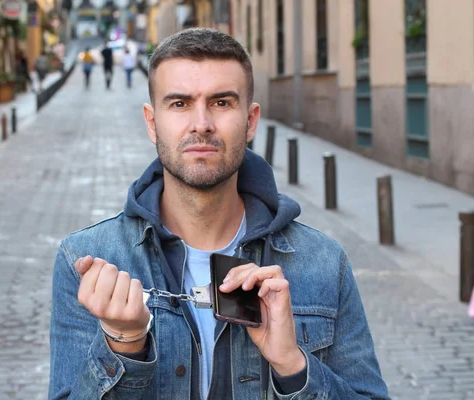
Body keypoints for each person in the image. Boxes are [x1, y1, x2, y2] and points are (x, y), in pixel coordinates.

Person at [49, 28, 389, 400]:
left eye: (222, 103)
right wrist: (124, 345)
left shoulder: (322, 262)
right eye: (179, 104)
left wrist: (293, 366)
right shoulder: (89, 262)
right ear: (151, 121)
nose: (201, 124)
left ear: (251, 120)